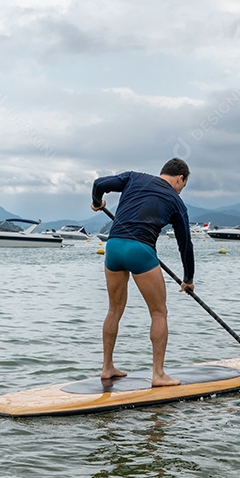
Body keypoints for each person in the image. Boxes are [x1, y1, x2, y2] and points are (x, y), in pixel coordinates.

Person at [91, 158, 195, 387]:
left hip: (114, 246)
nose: (181, 191)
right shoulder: (177, 203)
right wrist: (188, 279)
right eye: (183, 186)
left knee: (114, 310)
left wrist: (97, 202)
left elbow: (99, 183)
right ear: (180, 179)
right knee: (159, 312)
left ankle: (107, 367)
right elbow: (185, 244)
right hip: (140, 250)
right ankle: (158, 374)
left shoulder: (133, 177)